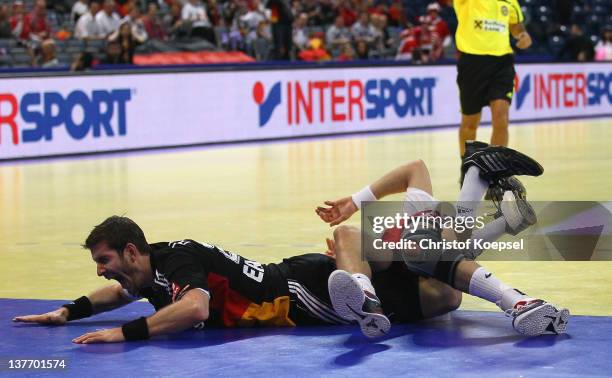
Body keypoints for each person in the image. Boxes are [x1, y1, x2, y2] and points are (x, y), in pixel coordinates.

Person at [13, 146, 567, 343]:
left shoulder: (175, 263)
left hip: (302, 287)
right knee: (444, 294)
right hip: (327, 294)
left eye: (107, 262)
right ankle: (486, 202)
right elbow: (119, 294)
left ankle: (514, 298)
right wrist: (69, 311)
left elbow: (196, 307)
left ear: (133, 251)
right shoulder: (148, 273)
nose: (106, 273)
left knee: (379, 238)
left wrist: (122, 334)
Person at [316, 143, 570, 338]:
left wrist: (352, 207)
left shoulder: (389, 237)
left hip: (412, 263)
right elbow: (416, 168)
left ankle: (515, 294)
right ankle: (481, 183)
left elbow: (414, 168)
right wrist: (354, 203)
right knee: (438, 259)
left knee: (422, 244)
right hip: (420, 276)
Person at [452, 0, 532, 161]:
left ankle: (494, 172)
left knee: (501, 118)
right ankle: (468, 168)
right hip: (472, 62)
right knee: (470, 123)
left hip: (502, 62)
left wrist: (522, 35)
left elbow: (515, 24)